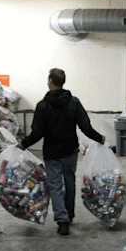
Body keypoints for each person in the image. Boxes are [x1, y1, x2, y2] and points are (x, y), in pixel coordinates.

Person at [21, 68, 104, 235]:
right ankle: (69, 214)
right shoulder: (73, 102)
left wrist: (23, 144)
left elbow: (37, 133)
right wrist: (99, 138)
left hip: (52, 152)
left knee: (55, 186)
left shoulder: (43, 106)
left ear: (51, 81)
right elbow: (85, 126)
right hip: (70, 150)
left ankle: (62, 220)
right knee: (70, 182)